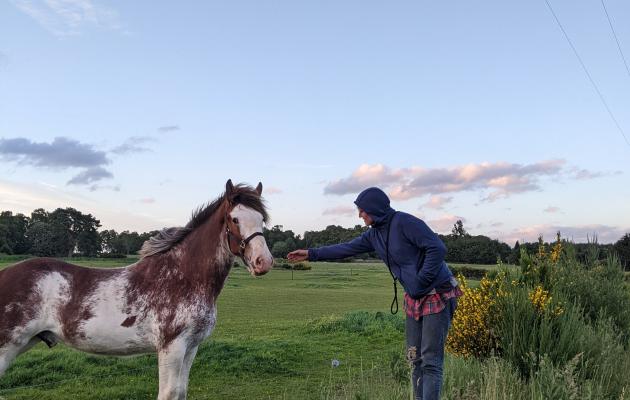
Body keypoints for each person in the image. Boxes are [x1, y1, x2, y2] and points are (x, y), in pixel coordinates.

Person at [288, 187, 462, 400]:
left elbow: (437, 248)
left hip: (437, 293)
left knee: (431, 361)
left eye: (362, 210)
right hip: (415, 297)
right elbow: (346, 248)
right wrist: (311, 254)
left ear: (374, 209)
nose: (359, 215)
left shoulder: (405, 223)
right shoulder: (374, 235)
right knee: (414, 358)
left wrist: (421, 280)